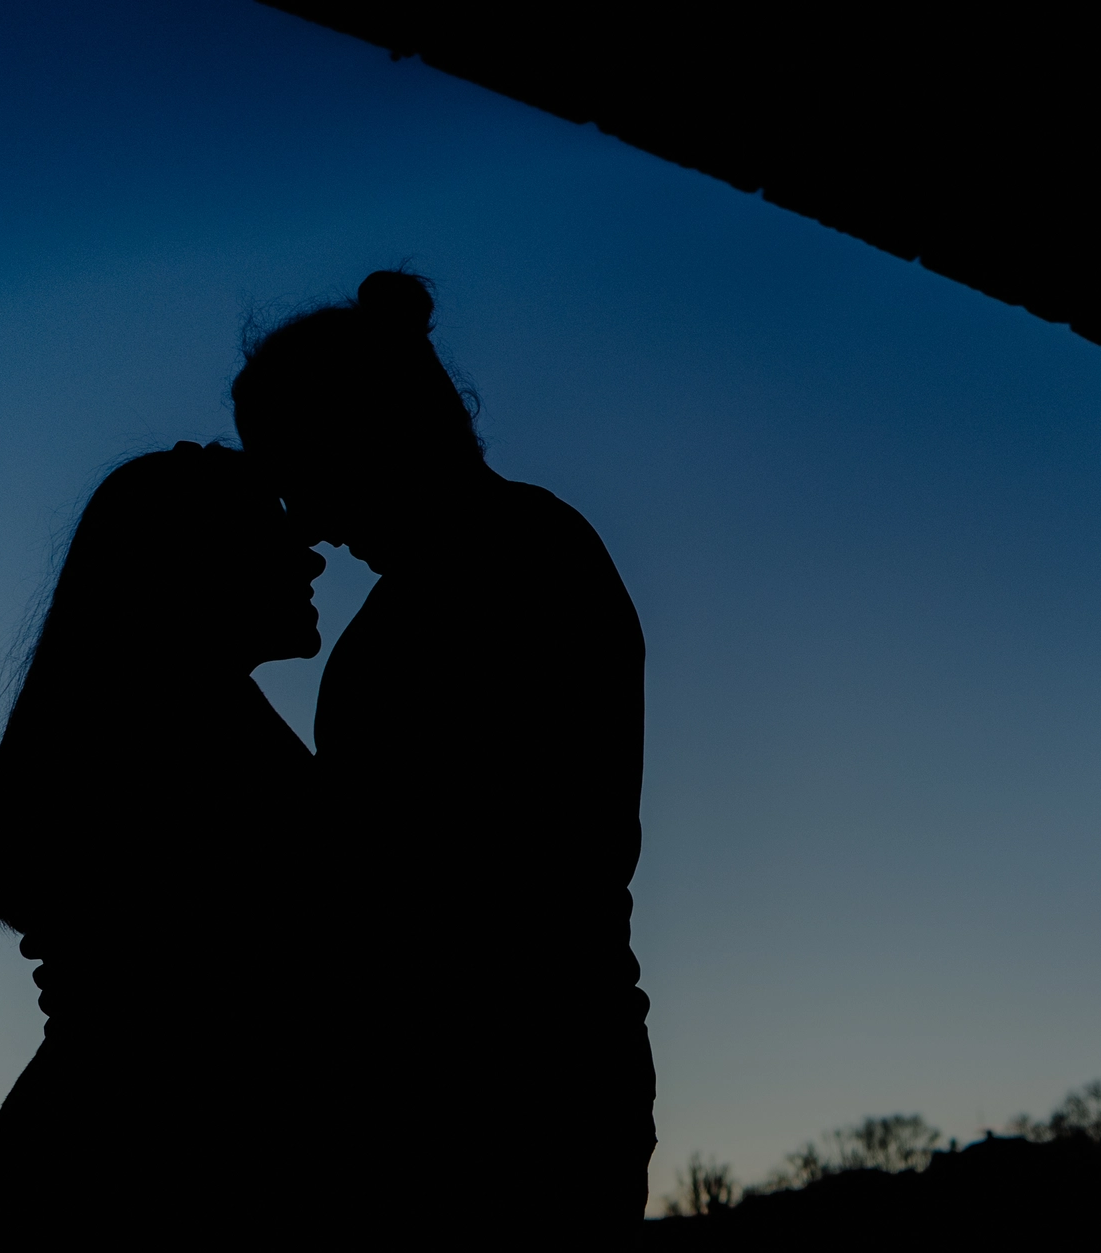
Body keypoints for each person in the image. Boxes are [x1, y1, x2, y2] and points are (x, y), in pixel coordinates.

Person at [231, 270, 656, 1238]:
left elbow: (423, 866)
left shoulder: (510, 562)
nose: (303, 520)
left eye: (295, 469)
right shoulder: (492, 561)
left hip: (507, 1083)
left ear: (364, 433)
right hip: (518, 1068)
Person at [0, 443, 329, 1251]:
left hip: (73, 1179)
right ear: (196, 565)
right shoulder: (188, 743)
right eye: (271, 529)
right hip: (123, 1195)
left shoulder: (156, 727)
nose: (313, 555)